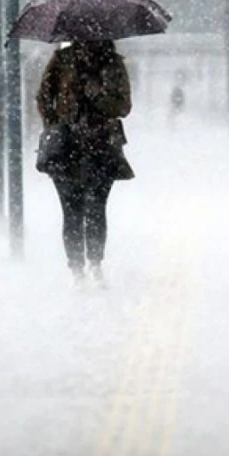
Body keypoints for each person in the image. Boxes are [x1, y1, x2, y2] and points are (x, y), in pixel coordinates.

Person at [36, 40, 134, 286]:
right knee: (71, 211)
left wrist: (98, 96)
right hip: (66, 148)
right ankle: (77, 269)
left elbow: (123, 106)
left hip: (101, 146)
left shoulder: (112, 63)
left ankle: (95, 263)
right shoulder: (62, 61)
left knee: (96, 208)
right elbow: (44, 98)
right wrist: (59, 123)